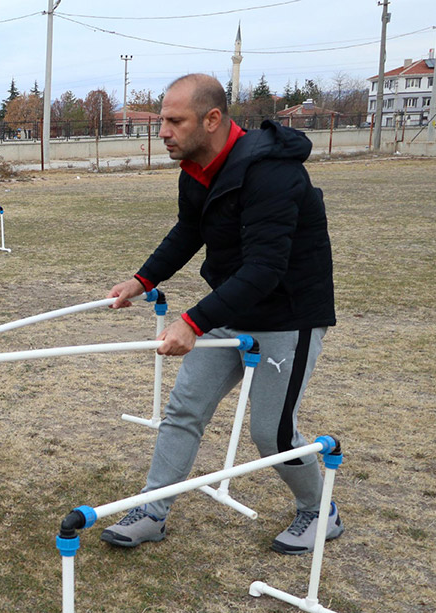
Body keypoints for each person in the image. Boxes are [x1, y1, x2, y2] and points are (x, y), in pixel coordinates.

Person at [100, 74, 340, 555]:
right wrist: (142, 280)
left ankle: (319, 511)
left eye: (175, 121)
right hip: (232, 306)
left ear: (212, 119)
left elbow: (266, 269)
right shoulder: (196, 167)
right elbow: (189, 231)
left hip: (288, 314)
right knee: (184, 409)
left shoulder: (272, 173)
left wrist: (193, 322)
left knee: (271, 434)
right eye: (162, 120)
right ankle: (152, 511)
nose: (163, 132)